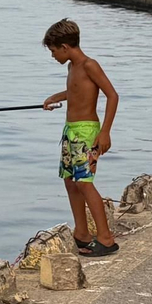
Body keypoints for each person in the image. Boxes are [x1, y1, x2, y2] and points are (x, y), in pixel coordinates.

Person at [42, 18, 120, 256]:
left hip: (87, 132)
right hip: (70, 131)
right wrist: (55, 97)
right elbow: (76, 91)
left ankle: (106, 239)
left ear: (65, 47)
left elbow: (112, 95)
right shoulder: (71, 67)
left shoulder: (89, 65)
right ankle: (82, 234)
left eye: (54, 51)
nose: (53, 56)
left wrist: (105, 131)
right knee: (69, 181)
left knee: (84, 183)